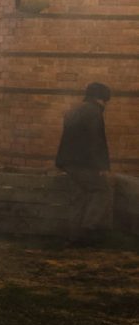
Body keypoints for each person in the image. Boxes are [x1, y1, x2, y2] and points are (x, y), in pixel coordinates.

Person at [56, 82, 113, 245]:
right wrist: (102, 167)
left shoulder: (75, 110)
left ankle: (74, 237)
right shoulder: (93, 112)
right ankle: (90, 228)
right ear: (100, 99)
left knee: (78, 197)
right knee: (102, 191)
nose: (105, 105)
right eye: (105, 101)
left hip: (67, 162)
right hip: (83, 163)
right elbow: (95, 141)